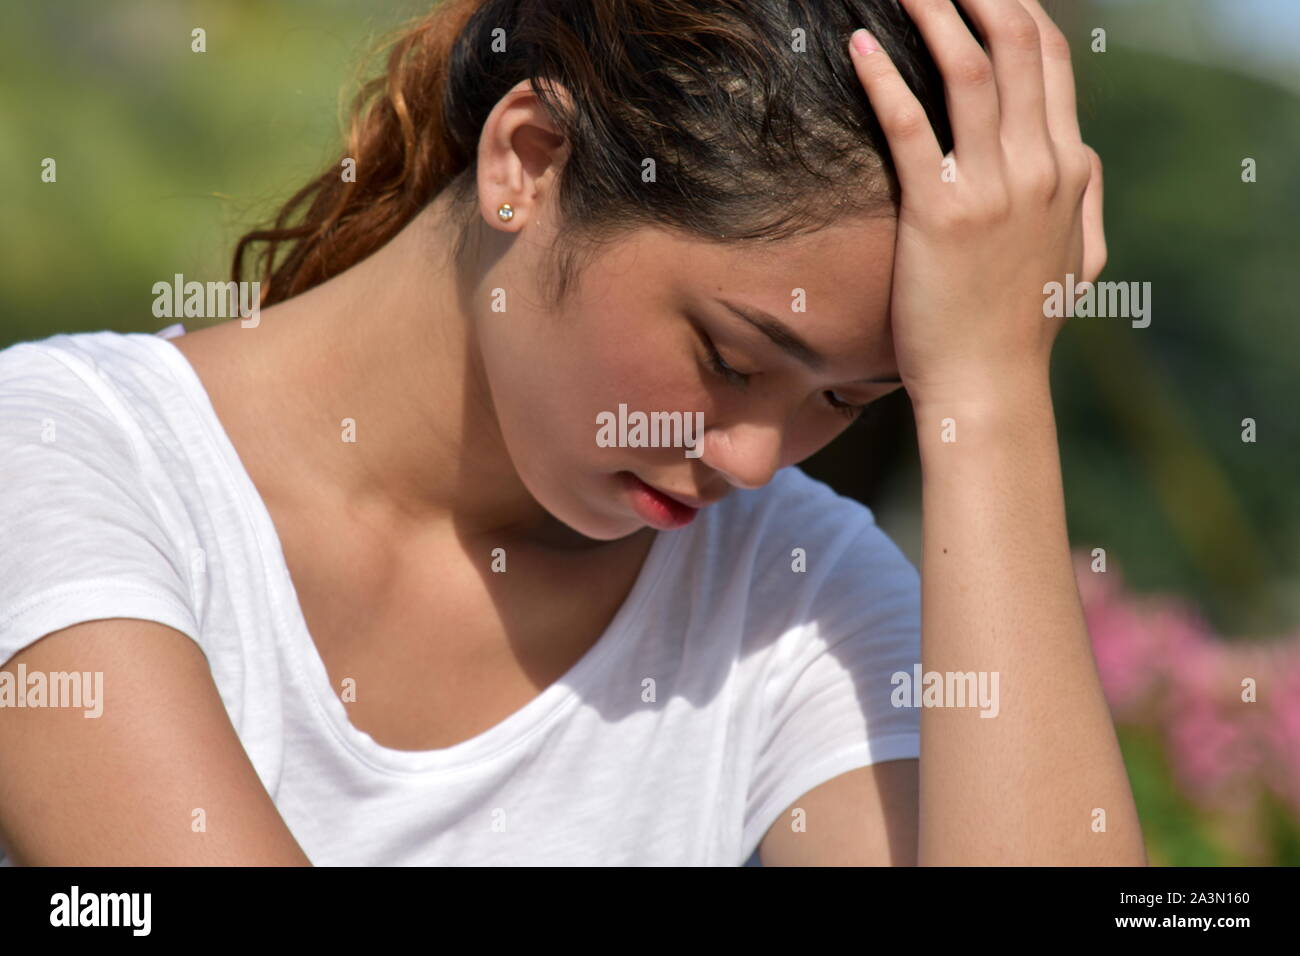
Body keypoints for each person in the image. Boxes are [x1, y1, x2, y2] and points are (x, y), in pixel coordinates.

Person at [0, 0, 1144, 865]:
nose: (752, 461)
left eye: (844, 400)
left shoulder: (799, 599)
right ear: (528, 160)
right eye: (732, 360)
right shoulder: (60, 459)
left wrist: (989, 399)